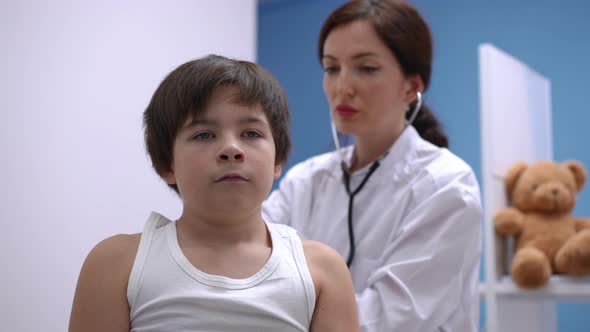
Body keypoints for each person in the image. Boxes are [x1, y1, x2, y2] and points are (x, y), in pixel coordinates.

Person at [68, 55, 359, 332]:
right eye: (204, 135)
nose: (231, 149)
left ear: (277, 161)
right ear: (167, 164)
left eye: (251, 133)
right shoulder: (118, 265)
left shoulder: (321, 272)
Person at [262, 1, 483, 331]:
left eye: (366, 68)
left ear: (412, 86)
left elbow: (388, 320)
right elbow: (247, 267)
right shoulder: (305, 181)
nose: (342, 87)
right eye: (331, 68)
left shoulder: (446, 186)